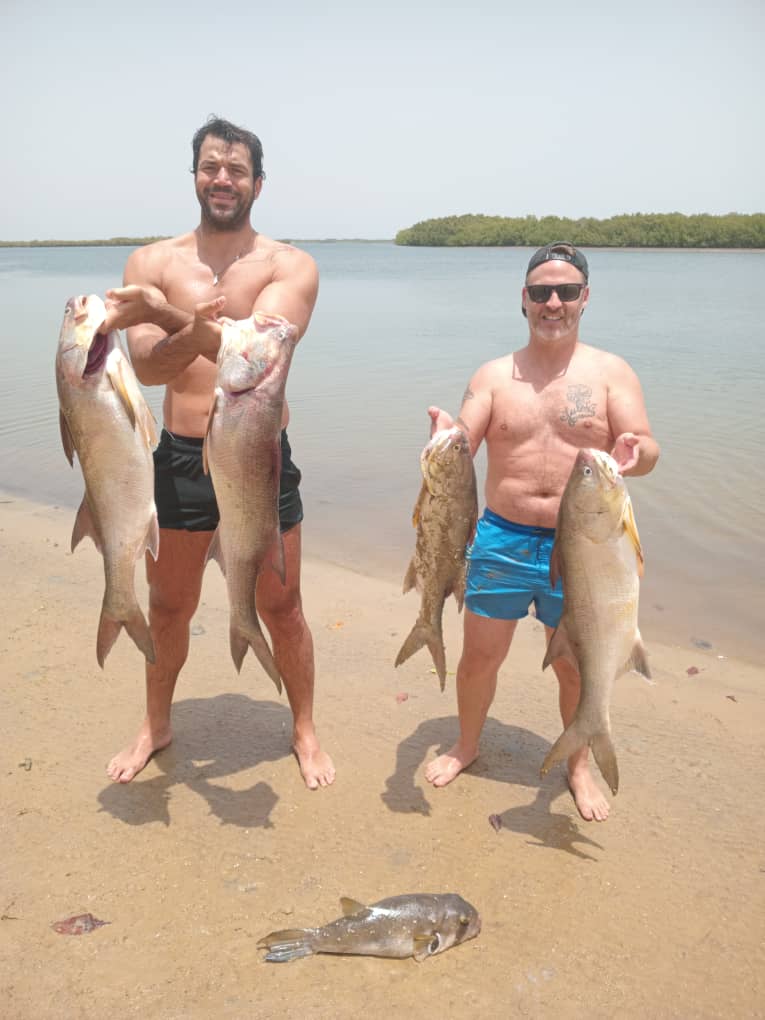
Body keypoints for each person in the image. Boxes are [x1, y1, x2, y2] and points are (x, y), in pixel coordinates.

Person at [99, 116, 335, 789]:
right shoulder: (151, 263)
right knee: (169, 603)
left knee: (281, 605)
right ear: (195, 175)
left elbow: (254, 354)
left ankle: (304, 728)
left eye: (235, 169)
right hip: (178, 455)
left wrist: (171, 317)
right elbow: (146, 370)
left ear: (257, 182)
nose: (222, 179)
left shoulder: (290, 266)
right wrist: (187, 326)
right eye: (210, 166)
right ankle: (156, 724)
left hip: (257, 453)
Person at [424, 241, 659, 821]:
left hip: (585, 545)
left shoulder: (611, 373)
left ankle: (579, 765)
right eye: (540, 292)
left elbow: (646, 448)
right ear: (523, 301)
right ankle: (467, 743)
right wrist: (448, 438)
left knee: (575, 663)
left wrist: (638, 451)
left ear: (585, 298)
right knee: (480, 656)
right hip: (501, 536)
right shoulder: (494, 375)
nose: (553, 302)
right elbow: (465, 441)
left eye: (566, 291)